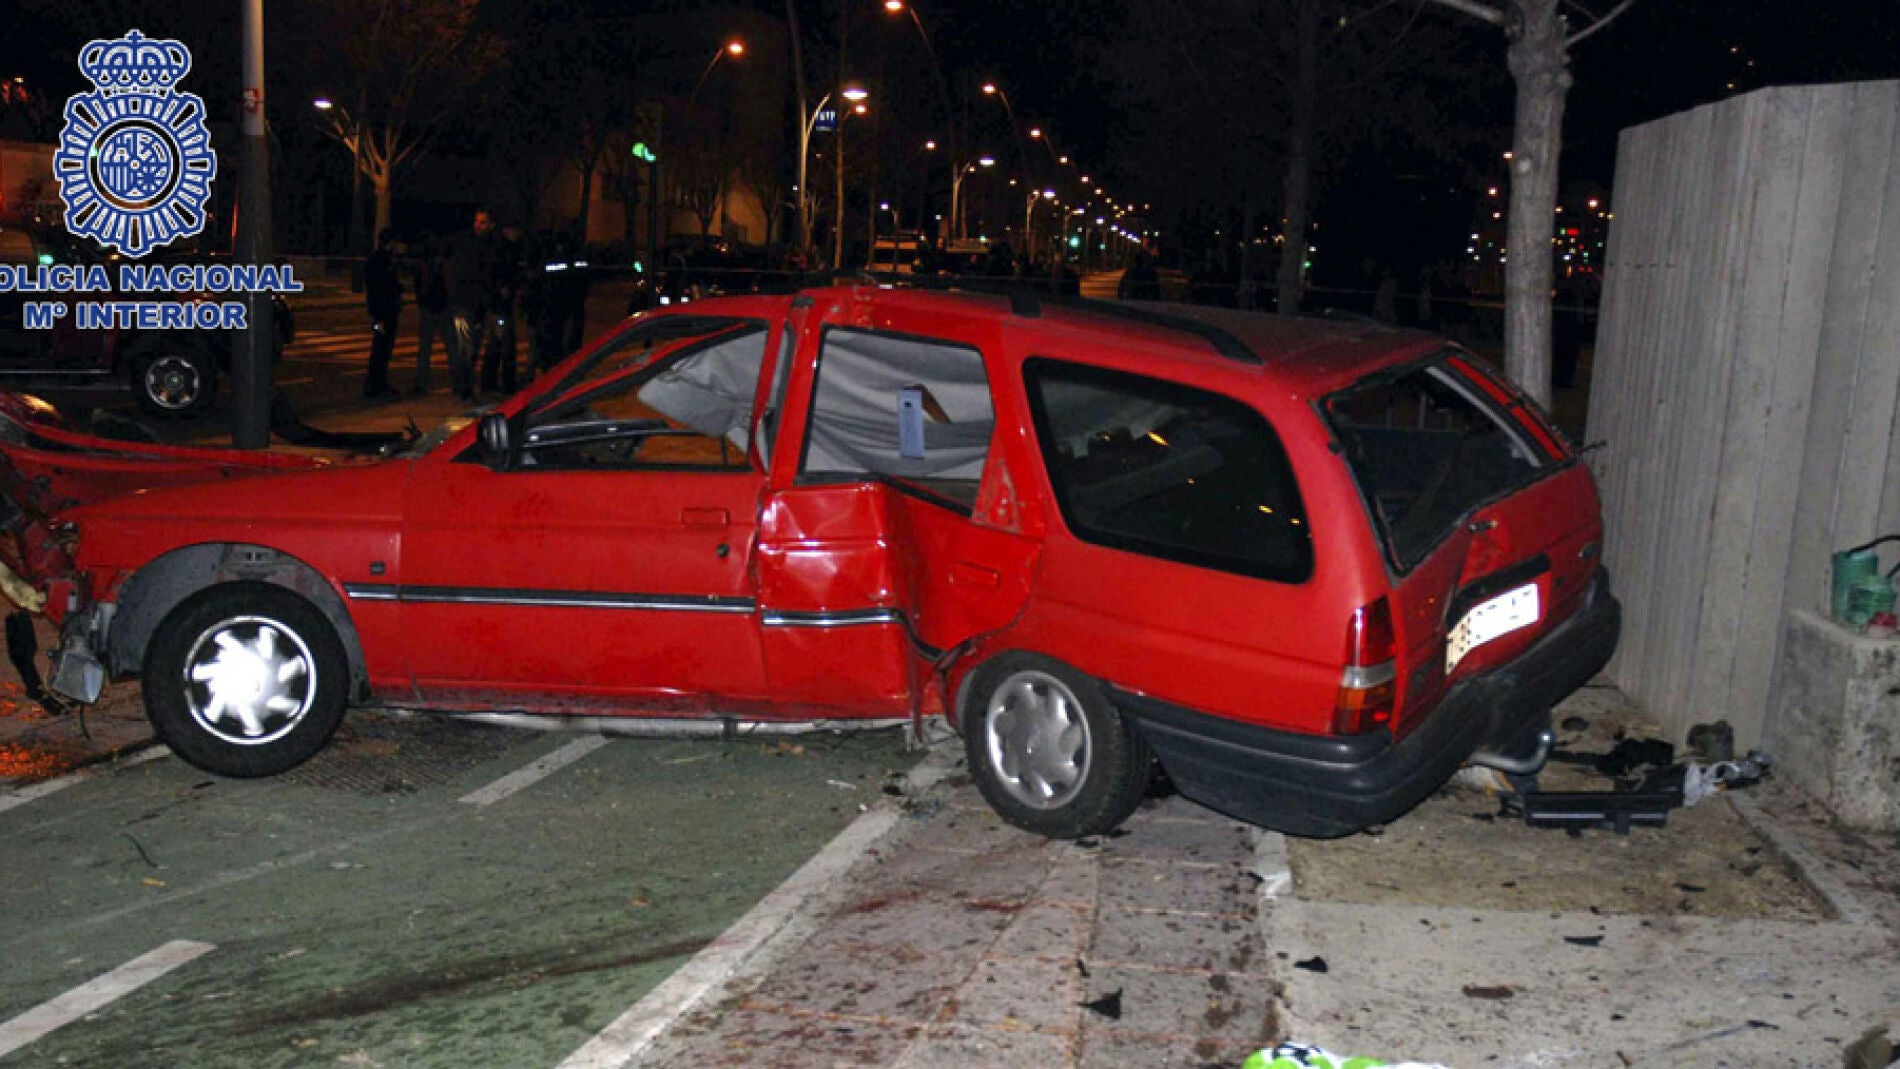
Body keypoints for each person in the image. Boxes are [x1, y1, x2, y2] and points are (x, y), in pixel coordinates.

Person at [444, 207, 498, 401]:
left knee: (471, 348)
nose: (478, 225)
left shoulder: (489, 246)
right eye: (477, 221)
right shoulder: (468, 245)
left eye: (482, 222)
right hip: (464, 304)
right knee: (465, 348)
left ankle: (465, 387)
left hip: (476, 306)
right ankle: (461, 389)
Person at [479, 225, 525, 396]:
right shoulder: (504, 251)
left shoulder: (499, 249)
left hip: (498, 305)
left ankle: (491, 382)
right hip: (500, 307)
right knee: (503, 345)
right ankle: (505, 383)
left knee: (497, 344)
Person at [362, 228, 402, 400]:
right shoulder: (383, 261)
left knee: (381, 348)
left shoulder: (377, 260)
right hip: (384, 312)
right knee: (381, 349)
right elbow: (382, 288)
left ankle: (378, 383)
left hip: (380, 312)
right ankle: (375, 385)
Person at [410, 236, 450, 394]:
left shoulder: (424, 266)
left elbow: (419, 287)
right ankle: (457, 382)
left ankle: (421, 382)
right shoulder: (442, 266)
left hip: (429, 308)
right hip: (439, 308)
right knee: (450, 347)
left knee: (425, 348)